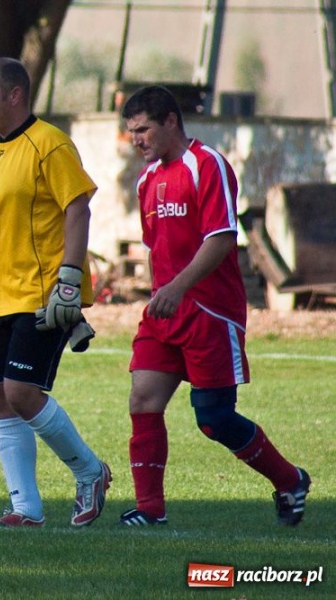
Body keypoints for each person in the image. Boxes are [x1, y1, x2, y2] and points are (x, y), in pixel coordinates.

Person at [118, 85, 311, 527]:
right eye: (131, 132)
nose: (137, 140)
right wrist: (159, 294)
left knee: (214, 420)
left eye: (143, 129)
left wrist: (179, 287)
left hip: (208, 311)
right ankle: (150, 510)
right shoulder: (147, 180)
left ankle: (290, 480)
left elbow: (222, 239)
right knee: (143, 399)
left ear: (171, 121)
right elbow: (155, 248)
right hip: (165, 312)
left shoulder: (207, 165)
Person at [0, 57, 111, 528]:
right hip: (0, 296)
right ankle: (26, 508)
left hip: (43, 296)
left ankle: (90, 471)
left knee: (23, 392)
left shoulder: (51, 145)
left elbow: (77, 209)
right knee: (1, 399)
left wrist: (69, 278)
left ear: (15, 95)